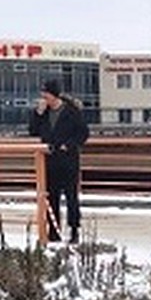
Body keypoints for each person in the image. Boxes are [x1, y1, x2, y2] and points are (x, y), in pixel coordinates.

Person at [28, 78, 89, 243]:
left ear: (54, 95)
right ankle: (54, 232)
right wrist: (37, 114)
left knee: (71, 197)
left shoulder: (71, 111)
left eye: (46, 95)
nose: (43, 98)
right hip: (49, 161)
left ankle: (74, 230)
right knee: (51, 197)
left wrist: (68, 145)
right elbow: (33, 131)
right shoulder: (44, 112)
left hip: (68, 160)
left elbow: (83, 134)